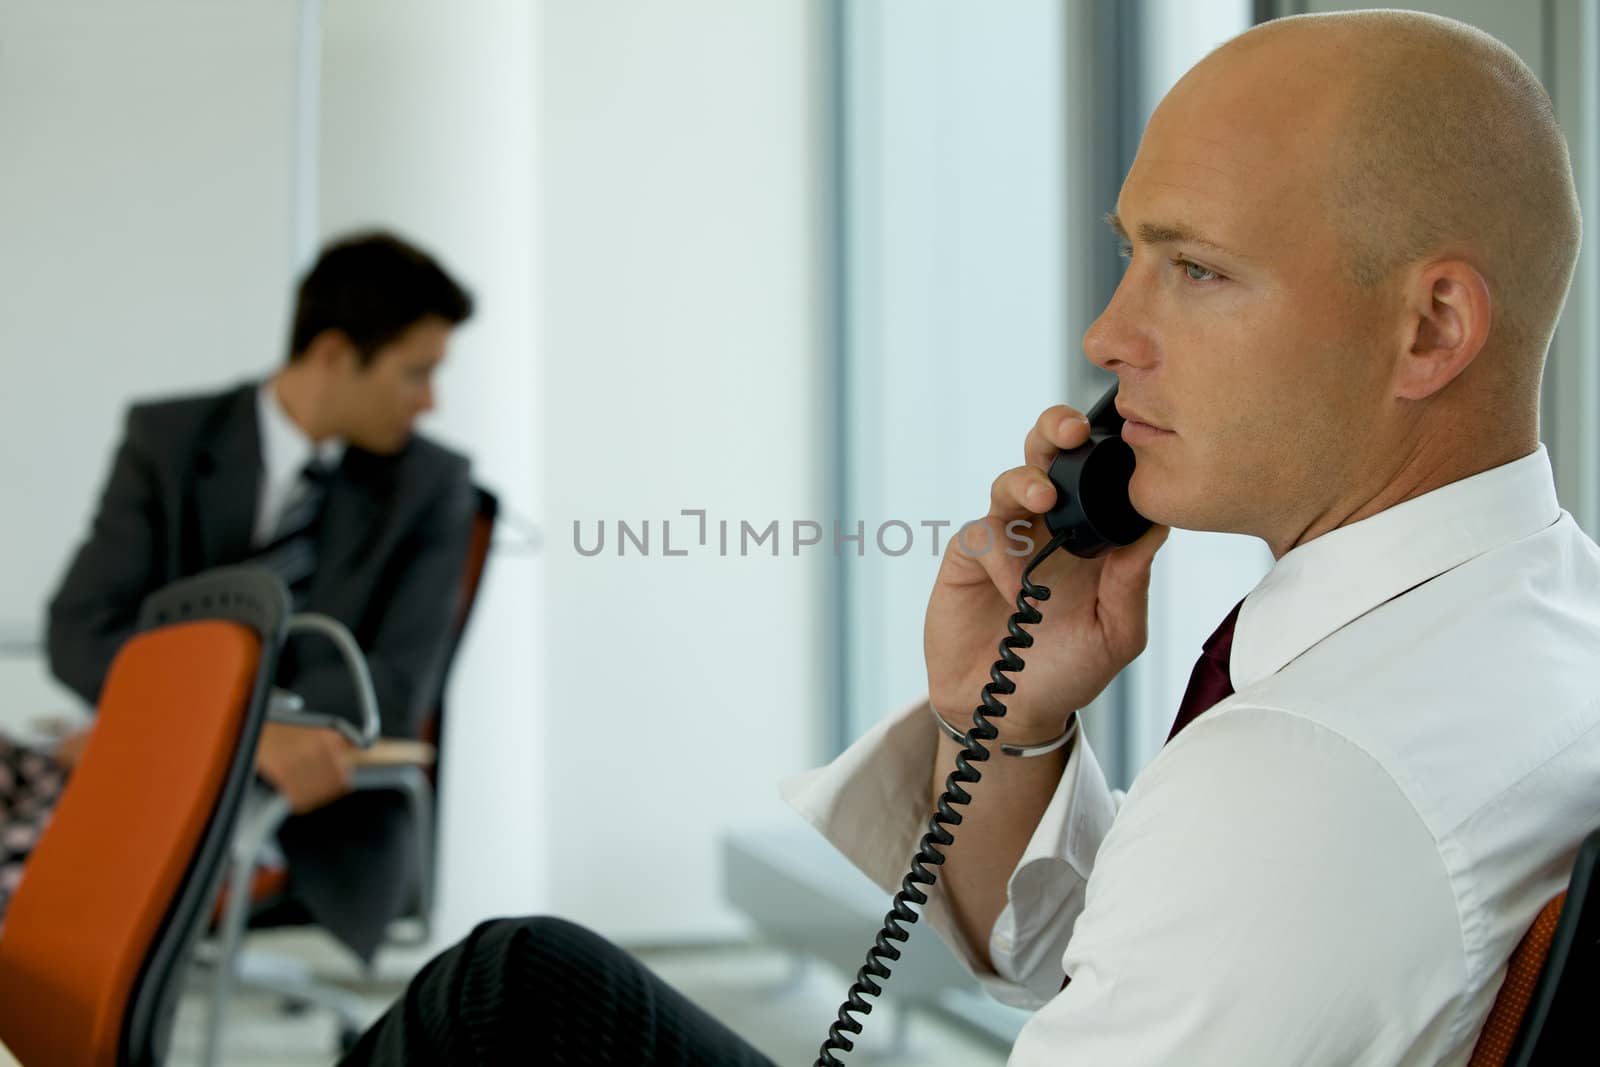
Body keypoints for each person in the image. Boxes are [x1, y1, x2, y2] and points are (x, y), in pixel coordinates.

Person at [342, 10, 1600, 1065]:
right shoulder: (1542, 606)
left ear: (1431, 328)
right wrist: (1010, 725)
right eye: (1129, 257)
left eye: (1197, 270)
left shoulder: (1308, 780)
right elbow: (1130, 954)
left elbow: (1248, 883)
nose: (1109, 336)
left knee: (506, 998)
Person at [44, 231, 476, 962]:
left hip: (312, 812)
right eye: (416, 372)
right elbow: (83, 627)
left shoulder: (429, 487)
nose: (430, 402)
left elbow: (393, 684)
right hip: (147, 775)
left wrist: (226, 740)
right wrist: (235, 734)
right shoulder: (169, 440)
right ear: (335, 354)